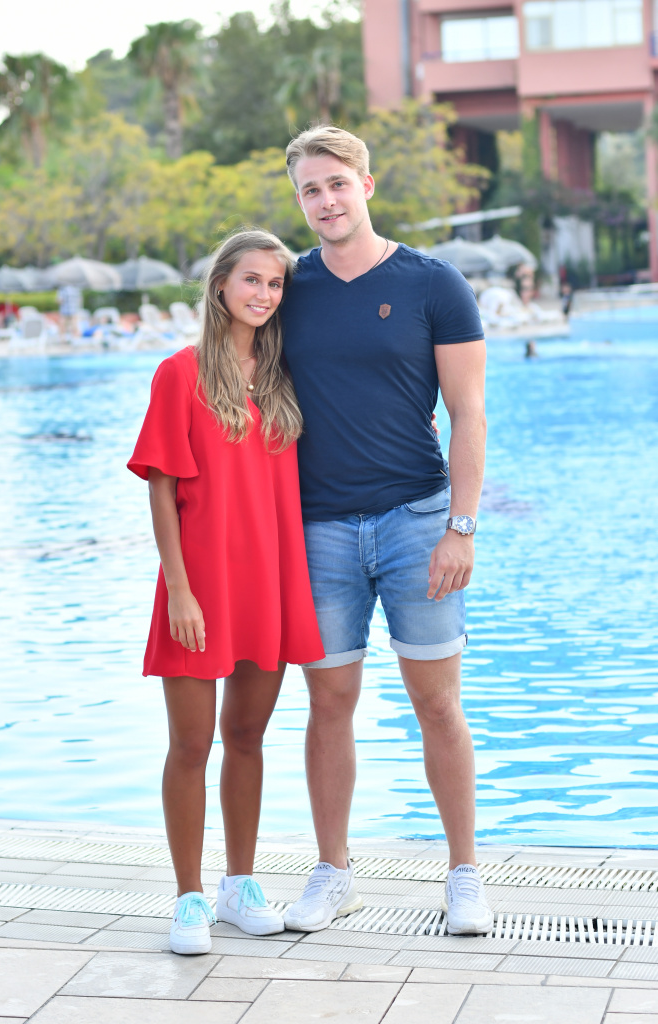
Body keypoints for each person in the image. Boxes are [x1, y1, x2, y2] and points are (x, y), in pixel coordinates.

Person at [279, 126, 492, 937]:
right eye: (310, 189)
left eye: (337, 183)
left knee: (436, 703)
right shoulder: (288, 288)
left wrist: (460, 528)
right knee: (328, 702)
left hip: (416, 521)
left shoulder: (433, 283)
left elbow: (467, 413)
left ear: (365, 185)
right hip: (319, 529)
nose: (326, 200)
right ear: (299, 200)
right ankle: (333, 873)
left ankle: (463, 874)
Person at [127, 229, 324, 955]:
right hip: (199, 584)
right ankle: (188, 897)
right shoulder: (179, 373)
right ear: (220, 286)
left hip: (268, 581)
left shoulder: (284, 377)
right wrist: (179, 589)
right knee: (191, 743)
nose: (264, 294)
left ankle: (239, 886)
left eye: (275, 284)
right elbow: (161, 488)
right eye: (252, 280)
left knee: (246, 738)